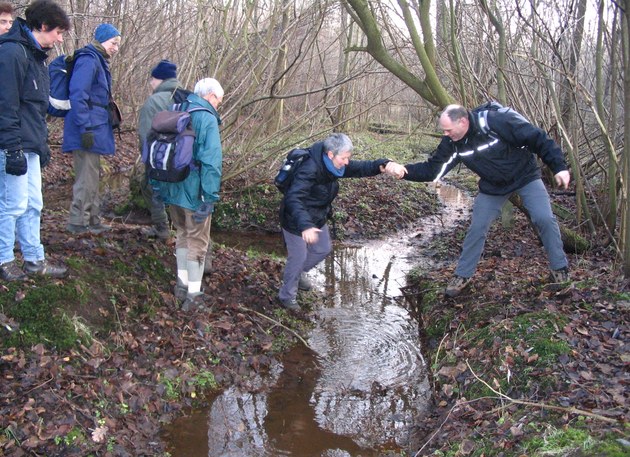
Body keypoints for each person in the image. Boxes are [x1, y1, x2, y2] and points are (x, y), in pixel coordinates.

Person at [386, 104, 571, 297]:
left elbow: (537, 138)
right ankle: (462, 276)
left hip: (526, 177)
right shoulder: (453, 142)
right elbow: (433, 170)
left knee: (544, 219)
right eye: (444, 131)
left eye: (448, 130)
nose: (446, 134)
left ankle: (559, 270)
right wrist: (404, 171)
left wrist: (559, 167)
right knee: (477, 228)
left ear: (463, 121)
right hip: (493, 187)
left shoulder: (495, 122)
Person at [278, 133, 405, 311]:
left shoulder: (333, 165)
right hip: (296, 219)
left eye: (348, 158)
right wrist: (305, 226)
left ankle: (295, 273)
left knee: (322, 249)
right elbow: (293, 198)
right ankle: (286, 296)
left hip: (316, 216)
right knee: (298, 258)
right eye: (344, 158)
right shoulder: (310, 168)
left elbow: (362, 167)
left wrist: (384, 165)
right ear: (331, 154)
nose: (346, 162)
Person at [0, 0, 70, 281]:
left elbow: (37, 108)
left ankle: (33, 259)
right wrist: (12, 148)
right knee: (12, 204)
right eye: (58, 32)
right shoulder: (12, 53)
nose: (60, 38)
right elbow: (6, 106)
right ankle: (4, 260)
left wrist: (41, 147)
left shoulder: (37, 57)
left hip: (30, 145)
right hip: (12, 145)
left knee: (33, 205)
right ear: (43, 26)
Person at [152, 78, 224, 311]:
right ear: (211, 96)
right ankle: (194, 295)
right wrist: (210, 197)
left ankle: (181, 285)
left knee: (182, 233)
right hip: (194, 191)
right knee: (198, 241)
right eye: (219, 100)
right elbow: (211, 162)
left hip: (172, 186)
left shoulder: (178, 108)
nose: (219, 105)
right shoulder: (206, 116)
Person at [63, 23, 121, 234]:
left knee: (93, 176)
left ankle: (93, 220)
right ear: (102, 40)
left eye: (117, 44)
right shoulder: (88, 60)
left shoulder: (98, 60)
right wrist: (85, 128)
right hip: (87, 128)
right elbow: (78, 94)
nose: (116, 47)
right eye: (113, 43)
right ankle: (78, 222)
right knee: (85, 177)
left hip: (95, 127)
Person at [137, 59, 187, 240]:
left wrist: (147, 160)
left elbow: (145, 134)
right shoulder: (187, 96)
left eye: (152, 79)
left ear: (160, 80)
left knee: (150, 186)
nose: (150, 83)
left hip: (160, 157)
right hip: (184, 158)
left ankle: (162, 229)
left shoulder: (154, 101)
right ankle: (199, 248)